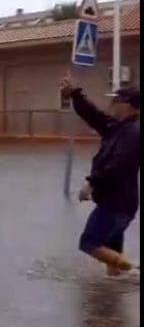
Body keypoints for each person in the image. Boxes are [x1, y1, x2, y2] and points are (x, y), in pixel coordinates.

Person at [60, 76, 140, 277]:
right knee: (112, 264)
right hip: (119, 203)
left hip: (116, 204)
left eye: (116, 101)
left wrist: (92, 183)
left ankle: (135, 271)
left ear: (129, 106)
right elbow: (93, 116)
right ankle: (113, 298)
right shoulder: (117, 128)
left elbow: (119, 164)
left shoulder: (133, 133)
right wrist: (75, 94)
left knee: (89, 243)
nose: (112, 105)